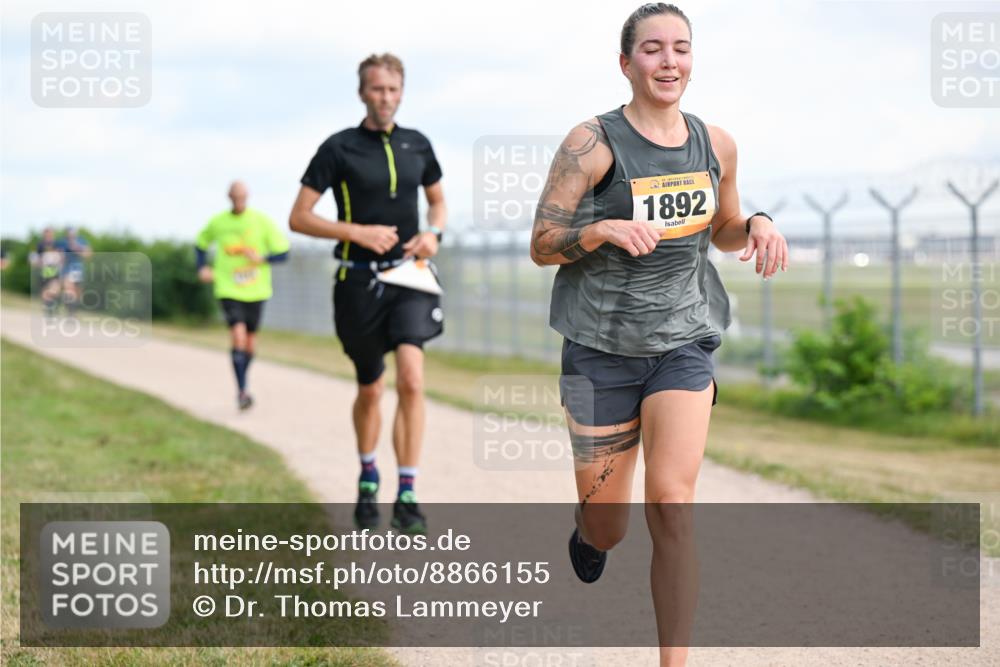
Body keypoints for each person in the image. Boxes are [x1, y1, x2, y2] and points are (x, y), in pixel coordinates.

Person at [530, 4, 788, 665]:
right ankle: (588, 533)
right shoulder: (592, 143)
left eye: (680, 48)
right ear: (627, 63)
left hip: (682, 341)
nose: (668, 60)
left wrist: (754, 222)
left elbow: (722, 228)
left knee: (672, 502)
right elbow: (541, 243)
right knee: (608, 525)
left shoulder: (716, 143)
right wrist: (598, 229)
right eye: (652, 49)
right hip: (599, 351)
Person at [289, 53, 447, 535]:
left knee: (413, 381)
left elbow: (438, 201)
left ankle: (407, 492)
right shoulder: (338, 148)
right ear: (363, 92)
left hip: (410, 276)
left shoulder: (418, 144)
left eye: (393, 90)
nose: (386, 98)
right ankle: (367, 476)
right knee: (371, 388)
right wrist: (356, 232)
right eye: (377, 89)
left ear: (403, 92)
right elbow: (299, 217)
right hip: (357, 281)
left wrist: (433, 233)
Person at [196, 181, 290, 410]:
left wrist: (263, 259)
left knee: (249, 344)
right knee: (238, 336)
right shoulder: (218, 222)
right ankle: (242, 391)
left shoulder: (261, 221)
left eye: (242, 196)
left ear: (247, 196)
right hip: (228, 287)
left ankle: (242, 382)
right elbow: (200, 244)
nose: (238, 199)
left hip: (256, 289)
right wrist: (202, 267)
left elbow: (283, 253)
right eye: (234, 196)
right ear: (229, 196)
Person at [30, 227, 64, 318]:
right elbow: (36, 258)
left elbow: (62, 257)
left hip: (55, 271)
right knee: (45, 292)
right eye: (47, 234)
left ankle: (53, 306)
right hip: (44, 271)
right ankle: (49, 310)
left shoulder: (58, 244)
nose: (49, 236)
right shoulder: (40, 245)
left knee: (54, 290)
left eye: (50, 234)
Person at [59, 226, 92, 316]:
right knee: (68, 288)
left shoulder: (81, 241)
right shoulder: (63, 242)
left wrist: (77, 249)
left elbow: (88, 254)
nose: (71, 235)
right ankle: (69, 310)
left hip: (77, 269)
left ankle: (73, 310)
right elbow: (60, 256)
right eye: (69, 233)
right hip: (66, 268)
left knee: (77, 292)